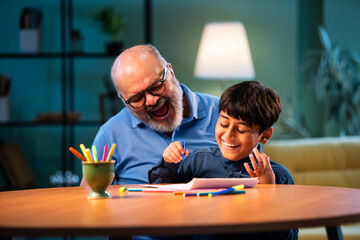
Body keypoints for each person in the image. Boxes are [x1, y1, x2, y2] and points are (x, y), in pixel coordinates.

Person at [149, 81, 298, 240]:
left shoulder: (279, 177)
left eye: (241, 130)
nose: (228, 135)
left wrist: (269, 193)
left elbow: (287, 237)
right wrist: (168, 163)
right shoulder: (199, 161)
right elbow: (163, 198)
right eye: (223, 123)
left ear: (265, 135)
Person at [91, 44, 219, 185]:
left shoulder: (224, 113)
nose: (151, 100)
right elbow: (90, 196)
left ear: (171, 72)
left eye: (156, 86)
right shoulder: (110, 134)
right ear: (123, 100)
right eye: (137, 98)